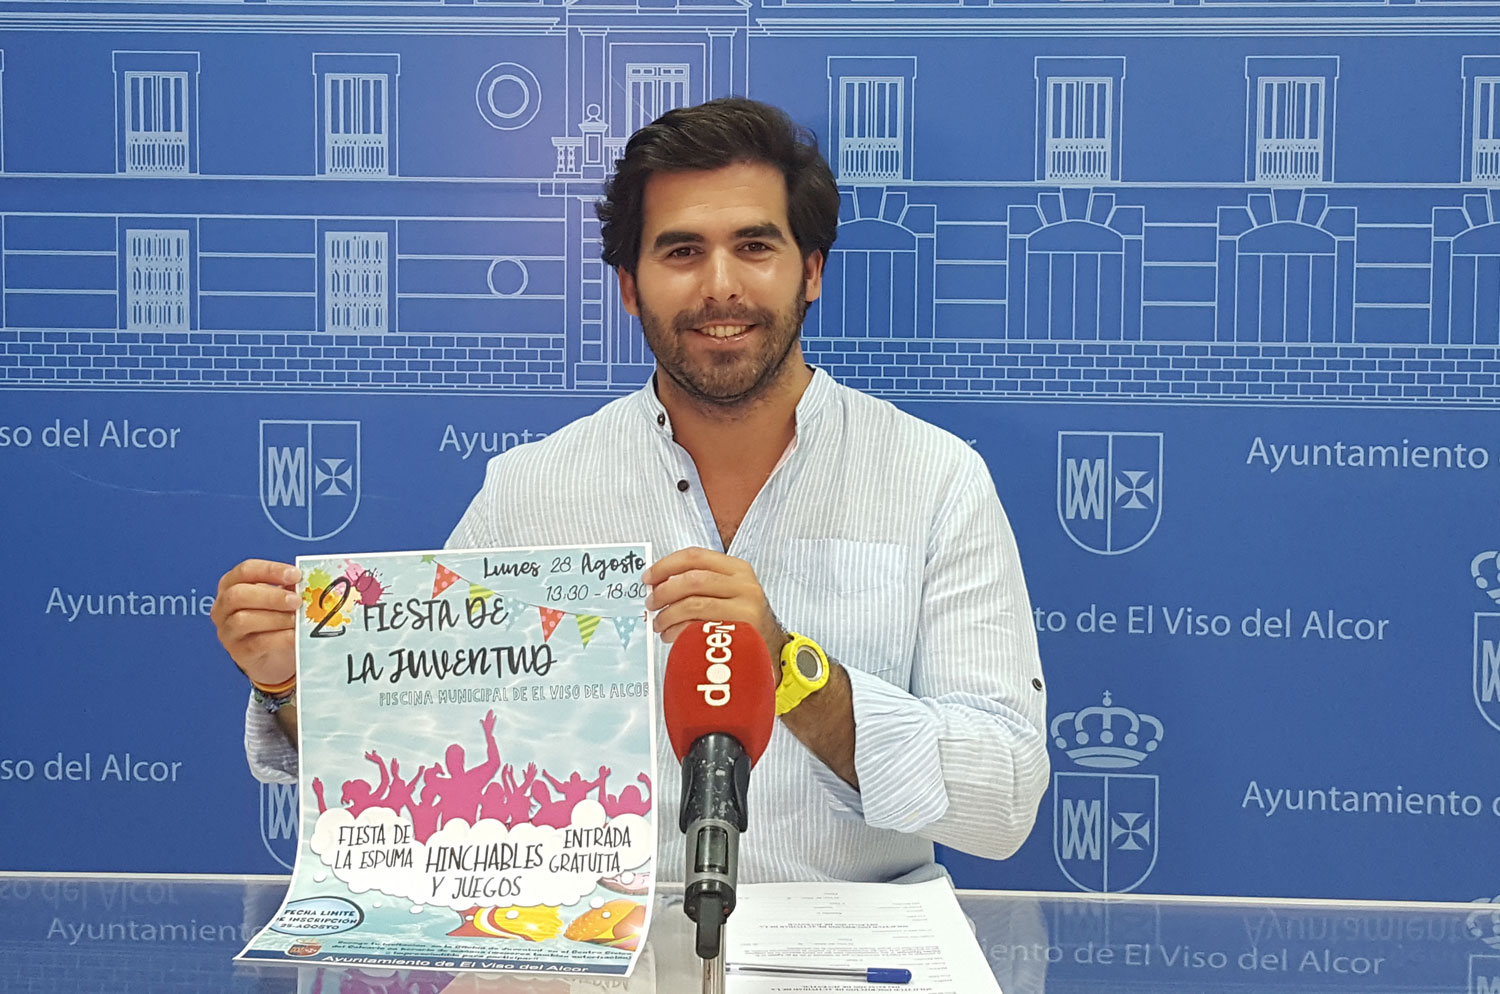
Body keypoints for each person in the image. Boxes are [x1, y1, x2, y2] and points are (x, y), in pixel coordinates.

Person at [214, 97, 1049, 884]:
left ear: (811, 272)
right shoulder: (530, 492)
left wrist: (790, 669)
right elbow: (421, 773)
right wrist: (291, 688)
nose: (720, 285)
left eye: (754, 247)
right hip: (597, 950)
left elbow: (1004, 799)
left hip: (856, 952)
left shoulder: (934, 480)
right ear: (628, 285)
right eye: (681, 252)